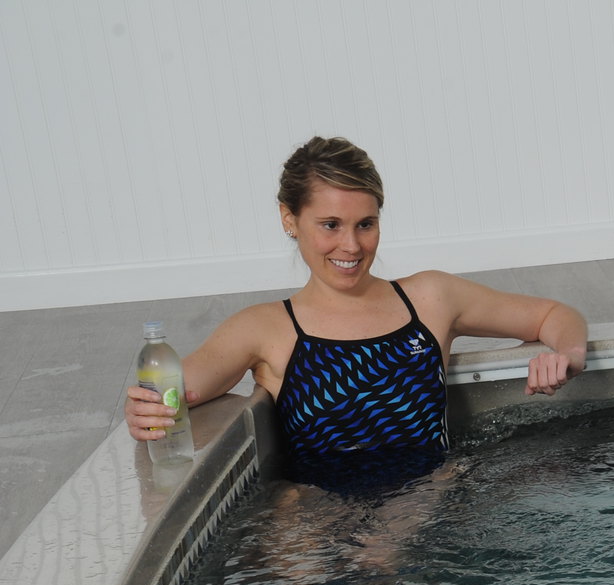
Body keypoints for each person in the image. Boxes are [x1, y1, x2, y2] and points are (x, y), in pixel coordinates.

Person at [124, 136, 587, 495]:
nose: (351, 246)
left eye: (366, 224)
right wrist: (147, 407)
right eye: (330, 225)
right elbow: (181, 388)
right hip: (316, 514)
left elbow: (553, 314)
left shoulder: (430, 298)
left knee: (386, 550)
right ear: (289, 219)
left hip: (426, 499)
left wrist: (566, 354)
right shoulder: (265, 327)